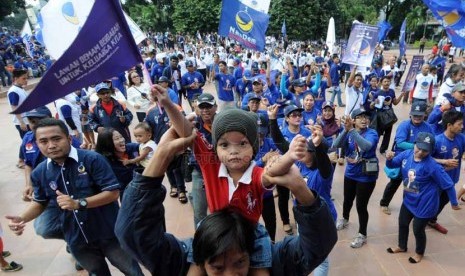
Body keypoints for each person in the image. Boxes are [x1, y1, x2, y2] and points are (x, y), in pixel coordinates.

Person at [114, 122, 338, 275]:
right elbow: (133, 234)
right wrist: (161, 154)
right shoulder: (182, 260)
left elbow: (319, 244)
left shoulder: (275, 260)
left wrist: (299, 187)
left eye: (240, 262)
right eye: (217, 268)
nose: (230, 274)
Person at [158, 83, 314, 274]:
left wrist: (290, 156)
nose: (233, 151)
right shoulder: (211, 166)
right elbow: (184, 129)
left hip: (251, 234)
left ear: (254, 148)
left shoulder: (257, 174)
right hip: (214, 229)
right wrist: (167, 103)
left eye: (242, 144)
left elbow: (273, 172)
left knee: (261, 272)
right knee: (196, 268)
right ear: (215, 149)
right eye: (224, 145)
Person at [6, 118, 143, 275]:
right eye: (43, 141)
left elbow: (112, 193)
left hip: (110, 234)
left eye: (56, 139)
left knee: (132, 271)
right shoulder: (39, 172)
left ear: (69, 138)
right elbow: (40, 202)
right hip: (77, 240)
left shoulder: (92, 159)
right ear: (37, 144)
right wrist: (22, 218)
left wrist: (79, 203)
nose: (51, 145)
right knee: (97, 273)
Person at [385, 132, 460, 264]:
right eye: (418, 148)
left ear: (431, 151)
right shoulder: (407, 154)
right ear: (414, 144)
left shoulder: (433, 166)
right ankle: (402, 246)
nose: (420, 152)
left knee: (418, 229)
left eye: (425, 150)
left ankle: (419, 253)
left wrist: (454, 202)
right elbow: (392, 165)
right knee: (402, 223)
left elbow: (448, 185)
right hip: (409, 199)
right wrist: (389, 158)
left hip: (425, 204)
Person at [333, 108, 379, 248]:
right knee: (347, 199)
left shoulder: (372, 133)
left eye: (366, 117)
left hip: (366, 176)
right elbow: (335, 145)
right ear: (353, 120)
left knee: (361, 205)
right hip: (351, 173)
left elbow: (366, 146)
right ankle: (345, 219)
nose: (364, 119)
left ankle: (362, 234)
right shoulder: (349, 132)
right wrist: (346, 130)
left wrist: (351, 130)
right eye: (359, 117)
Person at [379, 102, 433, 215]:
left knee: (412, 183)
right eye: (415, 115)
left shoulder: (427, 127)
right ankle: (384, 203)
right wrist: (418, 147)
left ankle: (409, 207)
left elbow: (432, 142)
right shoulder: (405, 125)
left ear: (424, 115)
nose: (417, 117)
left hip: (419, 160)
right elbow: (400, 143)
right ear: (410, 114)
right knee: (395, 182)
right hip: (403, 158)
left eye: (420, 115)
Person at [429, 110, 465, 234]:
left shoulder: (461, 138)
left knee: (443, 201)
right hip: (437, 181)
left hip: (452, 179)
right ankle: (419, 220)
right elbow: (426, 158)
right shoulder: (437, 141)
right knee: (432, 202)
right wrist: (444, 162)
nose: (462, 127)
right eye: (459, 124)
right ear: (449, 125)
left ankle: (432, 220)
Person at [371, 76, 406, 154]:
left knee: (388, 133)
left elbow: (395, 103)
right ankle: (373, 147)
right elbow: (371, 106)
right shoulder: (377, 93)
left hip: (389, 115)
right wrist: (374, 102)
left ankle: (383, 149)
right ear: (381, 83)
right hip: (380, 115)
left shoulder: (392, 92)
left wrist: (401, 95)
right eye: (385, 81)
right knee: (378, 133)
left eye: (388, 81)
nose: (387, 83)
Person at [7, 69, 29, 169]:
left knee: (27, 140)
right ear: (16, 79)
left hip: (27, 120)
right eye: (23, 78)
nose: (26, 80)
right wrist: (21, 122)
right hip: (22, 121)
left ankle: (24, 159)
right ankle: (20, 160)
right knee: (26, 141)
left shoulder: (20, 88)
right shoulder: (13, 91)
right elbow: (14, 107)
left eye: (27, 78)